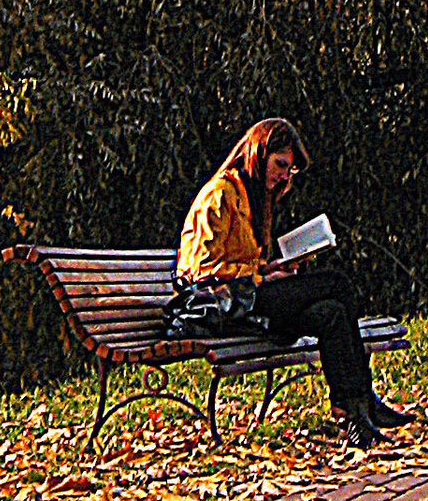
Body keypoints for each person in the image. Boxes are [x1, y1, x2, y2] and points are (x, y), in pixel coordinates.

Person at [168, 118, 411, 450]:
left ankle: (356, 417)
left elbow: (246, 262)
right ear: (258, 153)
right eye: (281, 164)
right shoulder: (221, 192)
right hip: (224, 304)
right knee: (337, 283)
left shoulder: (256, 196)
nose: (284, 175)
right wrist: (261, 275)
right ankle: (363, 399)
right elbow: (199, 269)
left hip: (250, 298)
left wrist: (275, 267)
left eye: (289, 169)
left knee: (331, 312)